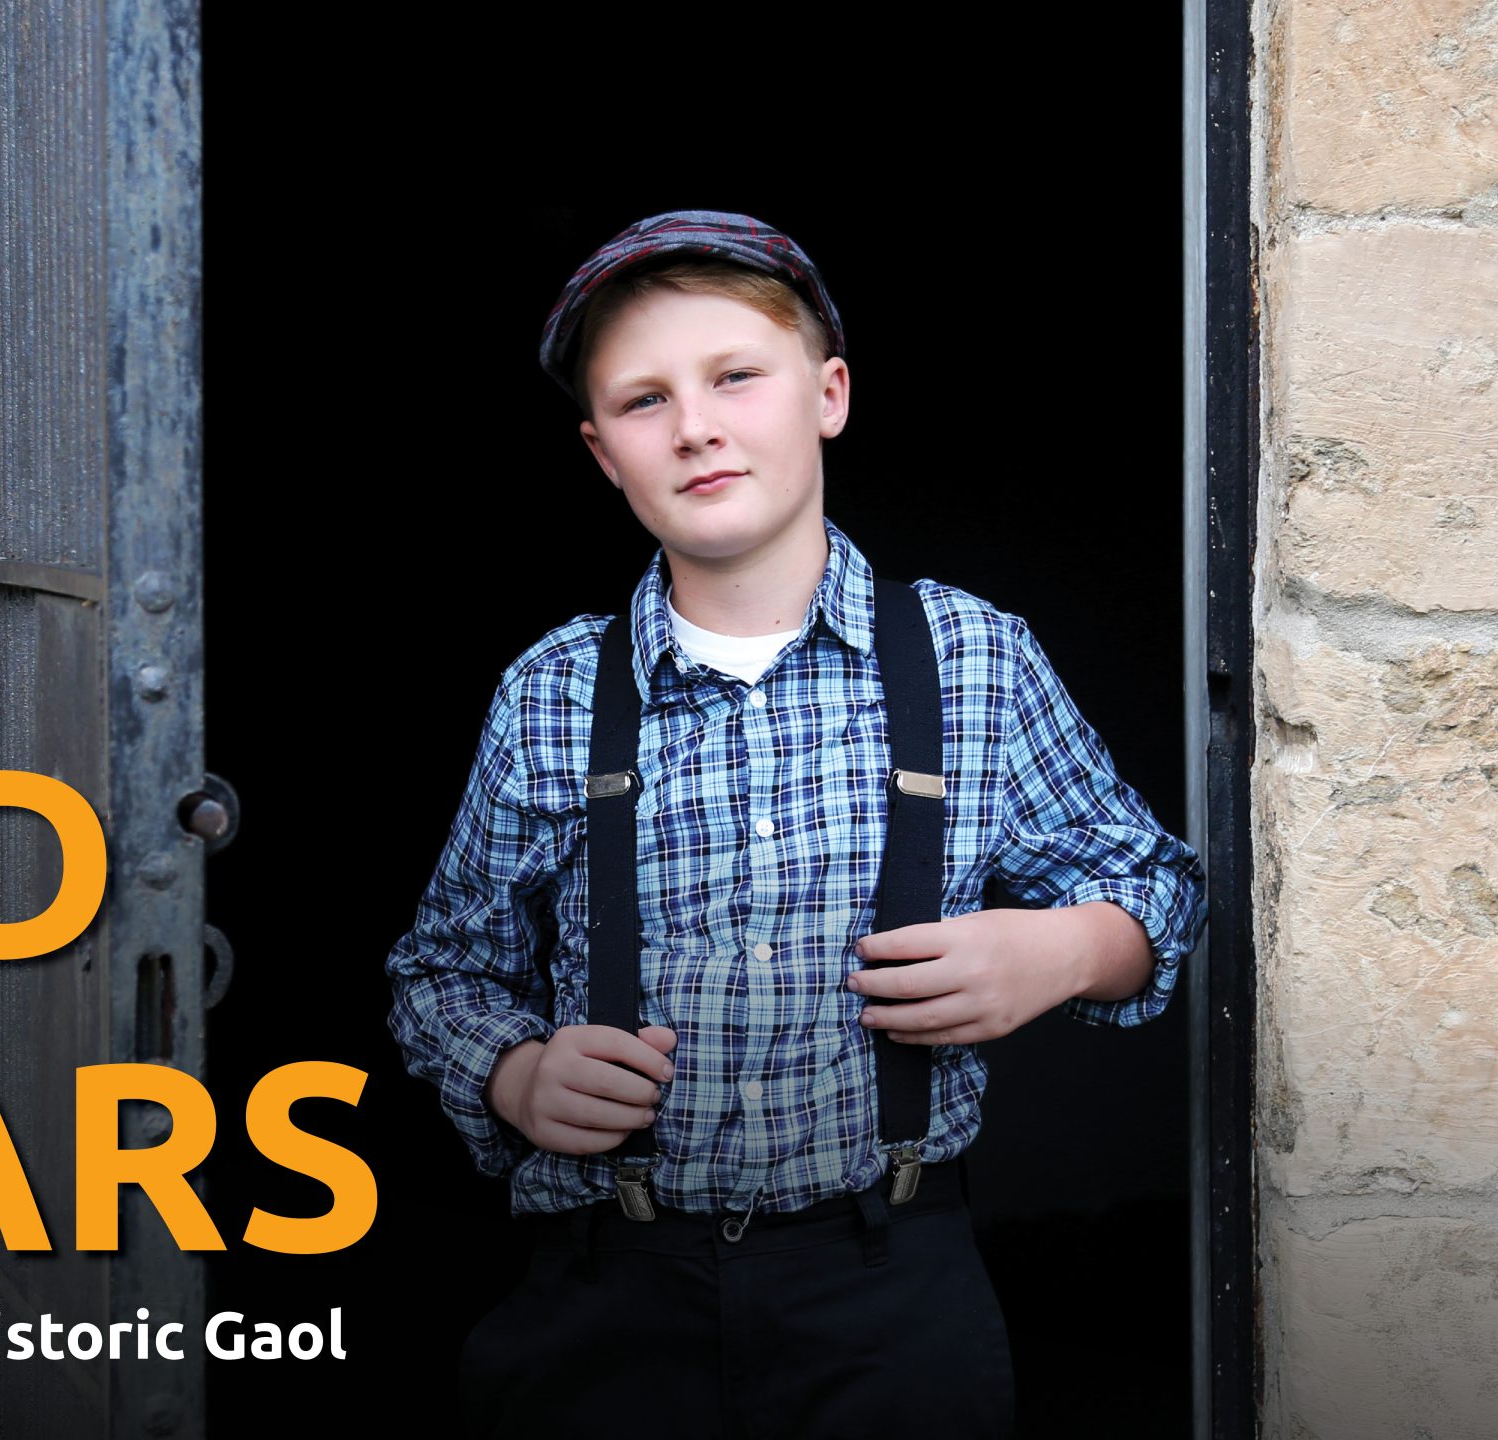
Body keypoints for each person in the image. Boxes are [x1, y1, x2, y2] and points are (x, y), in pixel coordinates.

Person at [380, 210, 1208, 1437]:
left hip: (889, 1287)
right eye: (644, 400)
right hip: (608, 1295)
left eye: (733, 377)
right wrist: (513, 1074)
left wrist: (1064, 950)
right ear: (602, 452)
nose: (697, 424)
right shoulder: (552, 692)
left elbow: (1157, 883)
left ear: (826, 394)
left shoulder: (971, 657)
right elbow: (439, 969)